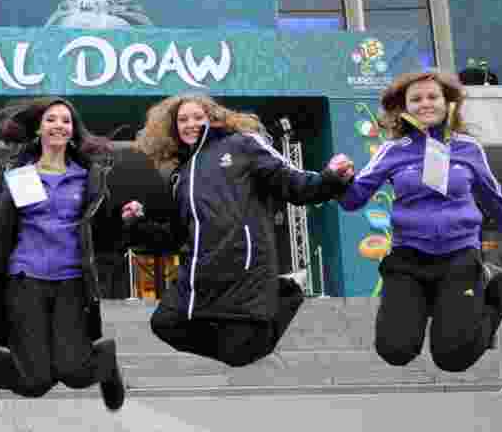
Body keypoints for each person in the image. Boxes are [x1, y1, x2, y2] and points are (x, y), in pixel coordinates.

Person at [123, 94, 354, 368]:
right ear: (173, 128)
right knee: (164, 324)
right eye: (183, 120)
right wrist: (137, 225)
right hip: (200, 277)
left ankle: (287, 291)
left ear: (213, 118)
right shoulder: (179, 175)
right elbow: (177, 236)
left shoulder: (242, 144)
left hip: (242, 267)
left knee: (241, 353)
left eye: (198, 116)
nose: (191, 124)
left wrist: (331, 178)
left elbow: (292, 181)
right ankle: (274, 294)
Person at [338, 70, 502, 372]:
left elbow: (493, 197)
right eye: (416, 99)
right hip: (408, 258)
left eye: (433, 96)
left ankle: (497, 296)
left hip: (459, 257)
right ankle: (427, 305)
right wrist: (340, 180)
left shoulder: (468, 148)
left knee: (452, 359)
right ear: (403, 108)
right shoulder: (392, 150)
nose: (425, 103)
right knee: (394, 350)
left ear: (447, 103)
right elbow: (353, 199)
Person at [0, 97, 126, 415]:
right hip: (25, 282)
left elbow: (102, 230)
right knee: (36, 381)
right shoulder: (19, 174)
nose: (58, 125)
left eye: (66, 120)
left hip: (71, 283)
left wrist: (126, 219)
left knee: (75, 372)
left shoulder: (87, 176)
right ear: (39, 127)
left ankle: (105, 360)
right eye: (51, 119)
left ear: (72, 131)